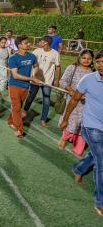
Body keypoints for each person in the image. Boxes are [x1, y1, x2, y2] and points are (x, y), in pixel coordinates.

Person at [59, 50, 103, 216]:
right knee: (102, 162)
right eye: (98, 62)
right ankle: (100, 201)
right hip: (92, 127)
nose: (101, 65)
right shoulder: (88, 79)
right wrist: (65, 118)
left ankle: (78, 168)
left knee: (95, 156)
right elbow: (75, 99)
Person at [58, 49, 94, 156]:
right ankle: (64, 138)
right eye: (84, 58)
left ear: (92, 60)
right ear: (79, 58)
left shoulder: (93, 73)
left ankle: (79, 145)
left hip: (86, 104)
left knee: (82, 123)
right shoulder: (72, 68)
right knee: (70, 120)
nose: (86, 60)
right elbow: (62, 81)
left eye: (89, 59)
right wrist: (72, 91)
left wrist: (86, 96)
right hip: (72, 101)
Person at [7, 35, 43, 138]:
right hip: (14, 85)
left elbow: (36, 66)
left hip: (25, 86)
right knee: (17, 107)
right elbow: (15, 75)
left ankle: (10, 120)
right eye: (26, 43)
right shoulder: (13, 58)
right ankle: (19, 129)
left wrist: (33, 74)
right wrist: (31, 79)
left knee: (17, 106)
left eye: (28, 42)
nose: (28, 44)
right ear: (19, 45)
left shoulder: (32, 56)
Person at [23, 36, 61, 127]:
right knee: (30, 97)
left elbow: (58, 67)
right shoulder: (36, 51)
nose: (39, 42)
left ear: (46, 43)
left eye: (41, 41)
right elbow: (30, 61)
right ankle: (24, 112)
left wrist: (57, 80)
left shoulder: (55, 54)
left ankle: (43, 119)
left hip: (47, 81)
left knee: (46, 100)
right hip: (35, 79)